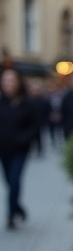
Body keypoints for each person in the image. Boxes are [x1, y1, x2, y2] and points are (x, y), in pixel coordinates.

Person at [0, 68, 36, 229]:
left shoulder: (27, 103)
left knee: (14, 181)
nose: (8, 84)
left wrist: (24, 139)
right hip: (3, 149)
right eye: (5, 80)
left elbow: (34, 126)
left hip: (20, 150)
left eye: (11, 80)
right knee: (9, 182)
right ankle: (18, 208)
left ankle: (10, 215)